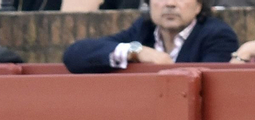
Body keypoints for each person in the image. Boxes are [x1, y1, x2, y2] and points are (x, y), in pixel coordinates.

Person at [61, 0, 237, 73]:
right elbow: (74, 54)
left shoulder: (217, 35)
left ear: (199, 5)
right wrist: (135, 50)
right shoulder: (143, 30)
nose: (170, 4)